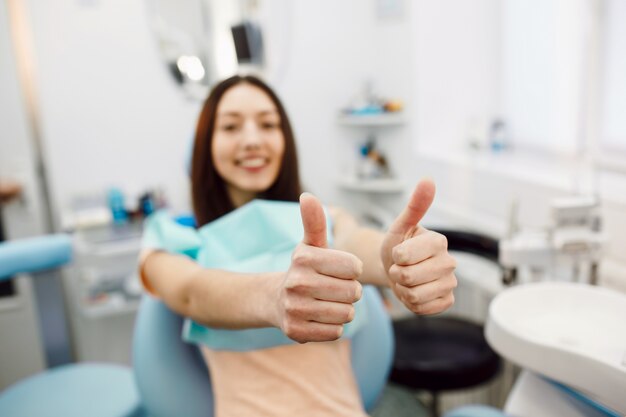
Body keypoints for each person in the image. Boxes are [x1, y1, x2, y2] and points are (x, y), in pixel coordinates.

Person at [139, 75, 457, 417]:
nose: (252, 140)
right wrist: (274, 297)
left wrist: (398, 260)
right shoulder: (173, 238)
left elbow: (355, 243)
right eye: (231, 127)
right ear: (205, 144)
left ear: (285, 140)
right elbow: (192, 293)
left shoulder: (323, 223)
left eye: (268, 124)